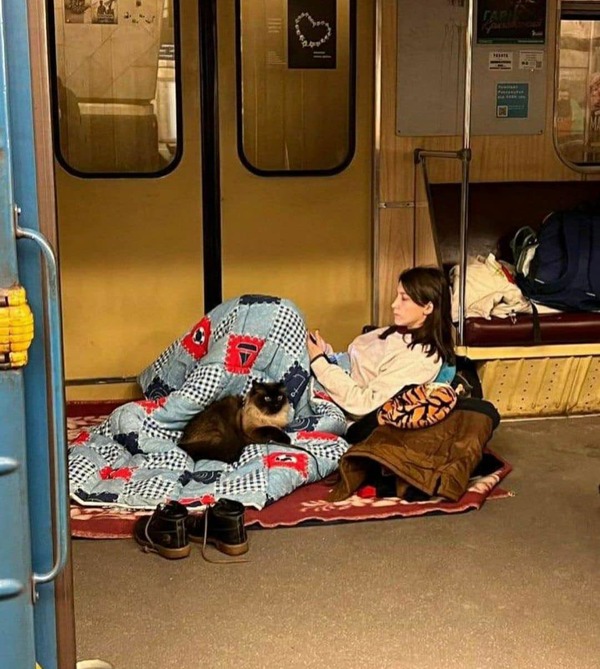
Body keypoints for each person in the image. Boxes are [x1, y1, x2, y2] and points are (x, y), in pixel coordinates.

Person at [306, 266, 455, 419]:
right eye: (397, 296)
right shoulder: (397, 332)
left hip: (331, 395)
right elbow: (357, 361)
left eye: (404, 298)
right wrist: (324, 353)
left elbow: (364, 404)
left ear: (428, 307)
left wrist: (319, 362)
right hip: (329, 374)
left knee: (288, 312)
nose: (394, 304)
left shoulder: (421, 359)